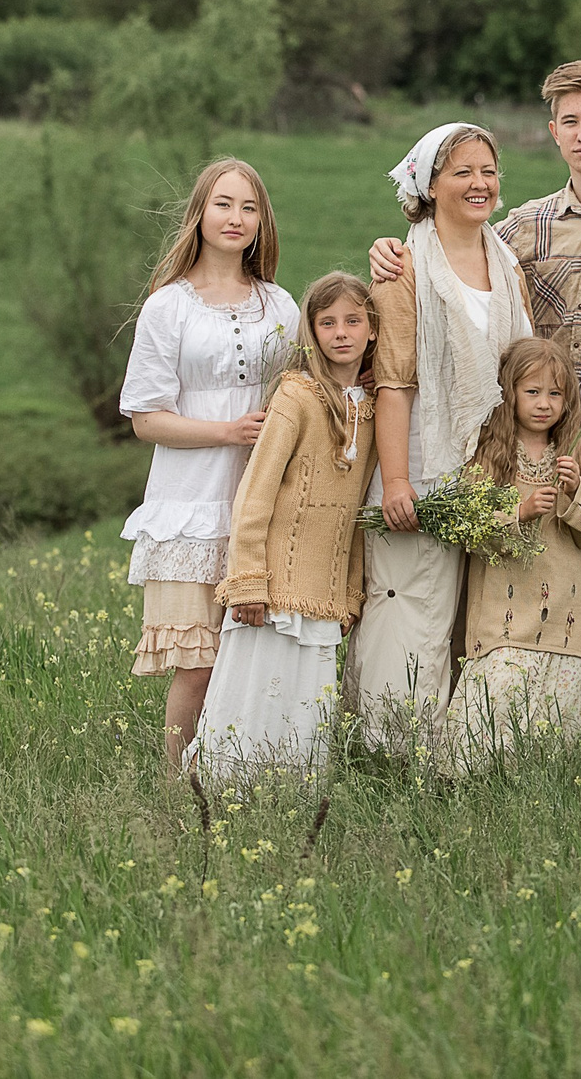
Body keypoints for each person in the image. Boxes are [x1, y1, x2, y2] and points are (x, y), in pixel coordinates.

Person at [371, 59, 581, 731]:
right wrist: (388, 251)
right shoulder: (522, 227)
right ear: (553, 132)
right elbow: (456, 256)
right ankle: (486, 720)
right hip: (527, 442)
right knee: (510, 585)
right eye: (570, 122)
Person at [352, 122, 531, 756]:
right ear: (430, 186)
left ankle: (454, 752)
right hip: (423, 462)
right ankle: (391, 751)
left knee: (469, 619)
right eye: (462, 172)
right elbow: (394, 384)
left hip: (485, 467)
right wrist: (397, 480)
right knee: (412, 606)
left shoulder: (505, 261)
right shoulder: (404, 268)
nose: (479, 183)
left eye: (487, 170)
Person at [117, 158, 303, 772]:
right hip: (190, 506)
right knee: (198, 665)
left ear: (261, 222)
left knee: (252, 657)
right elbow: (146, 418)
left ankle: (241, 773)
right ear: (200, 212)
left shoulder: (279, 304)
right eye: (224, 204)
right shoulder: (168, 307)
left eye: (249, 208)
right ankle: (177, 785)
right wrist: (227, 430)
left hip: (261, 502)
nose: (236, 218)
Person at [197, 272, 379, 785]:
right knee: (252, 698)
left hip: (321, 598)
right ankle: (223, 789)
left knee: (302, 710)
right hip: (272, 593)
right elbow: (255, 493)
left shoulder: (371, 409)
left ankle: (290, 799)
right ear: (312, 332)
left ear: (372, 330)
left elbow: (356, 518)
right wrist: (249, 579)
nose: (341, 332)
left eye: (352, 320)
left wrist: (348, 595)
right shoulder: (295, 397)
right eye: (327, 322)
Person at [435, 339, 581, 772]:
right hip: (504, 617)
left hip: (564, 618)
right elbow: (470, 530)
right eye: (532, 392)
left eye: (555, 393)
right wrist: (520, 511)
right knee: (486, 729)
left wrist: (572, 496)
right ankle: (471, 791)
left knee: (547, 743)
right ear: (508, 393)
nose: (544, 404)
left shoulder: (571, 457)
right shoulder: (489, 456)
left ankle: (535, 798)